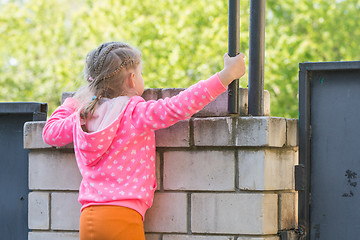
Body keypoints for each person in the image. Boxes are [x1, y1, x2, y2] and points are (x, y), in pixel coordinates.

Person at [42, 41, 246, 240]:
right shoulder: (134, 112)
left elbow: (49, 133)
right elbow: (179, 106)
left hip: (89, 218)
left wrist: (71, 104)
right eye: (140, 73)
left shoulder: (83, 116)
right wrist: (225, 76)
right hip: (123, 217)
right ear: (131, 79)